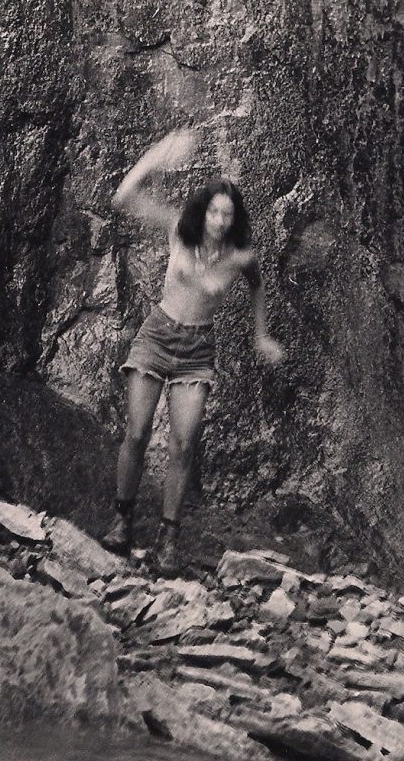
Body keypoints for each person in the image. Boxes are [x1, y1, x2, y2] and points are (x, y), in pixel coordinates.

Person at [103, 127, 284, 575]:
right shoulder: (178, 232)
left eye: (227, 213)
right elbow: (122, 197)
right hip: (157, 335)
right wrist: (157, 154)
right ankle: (121, 522)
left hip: (198, 349)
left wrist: (261, 335)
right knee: (138, 432)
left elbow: (260, 288)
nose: (219, 220)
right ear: (202, 212)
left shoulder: (241, 255)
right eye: (214, 212)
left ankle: (168, 539)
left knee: (184, 444)